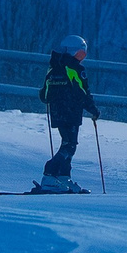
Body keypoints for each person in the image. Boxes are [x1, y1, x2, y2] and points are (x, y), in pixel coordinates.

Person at [37, 35, 98, 192]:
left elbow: (44, 95)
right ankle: (50, 174)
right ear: (72, 52)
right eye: (80, 54)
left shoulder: (54, 67)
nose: (81, 58)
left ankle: (64, 177)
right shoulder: (75, 69)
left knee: (68, 143)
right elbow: (83, 93)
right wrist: (93, 109)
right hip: (71, 113)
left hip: (57, 113)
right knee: (69, 145)